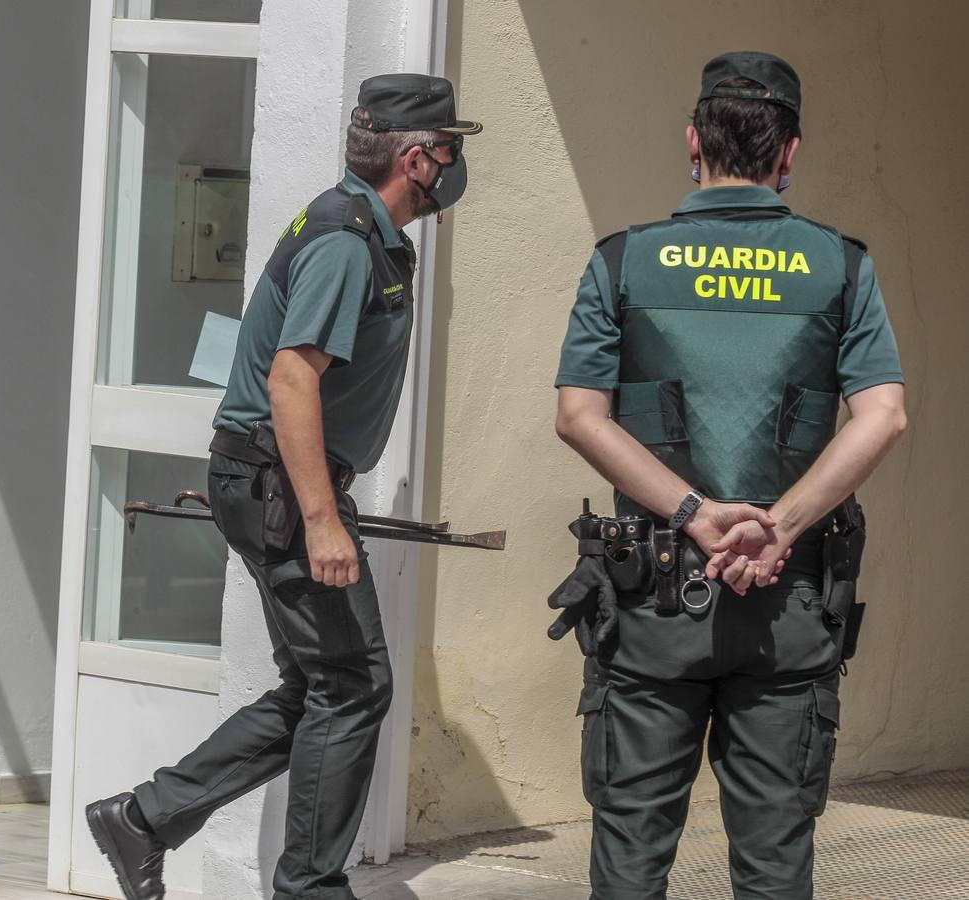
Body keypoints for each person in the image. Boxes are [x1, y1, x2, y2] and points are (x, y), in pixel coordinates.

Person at [85, 74, 481, 900]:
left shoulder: (357, 225)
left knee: (320, 687)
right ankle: (307, 886)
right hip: (279, 483)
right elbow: (292, 382)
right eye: (449, 148)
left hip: (269, 477)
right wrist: (322, 521)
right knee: (354, 684)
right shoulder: (345, 242)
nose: (454, 162)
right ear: (416, 158)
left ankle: (146, 818)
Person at [551, 51, 906, 899]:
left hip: (650, 604)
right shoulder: (842, 267)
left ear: (691, 142)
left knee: (630, 858)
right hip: (787, 602)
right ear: (789, 155)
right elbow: (884, 414)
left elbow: (578, 415)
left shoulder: (622, 261)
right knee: (775, 863)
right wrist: (779, 526)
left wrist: (693, 511)